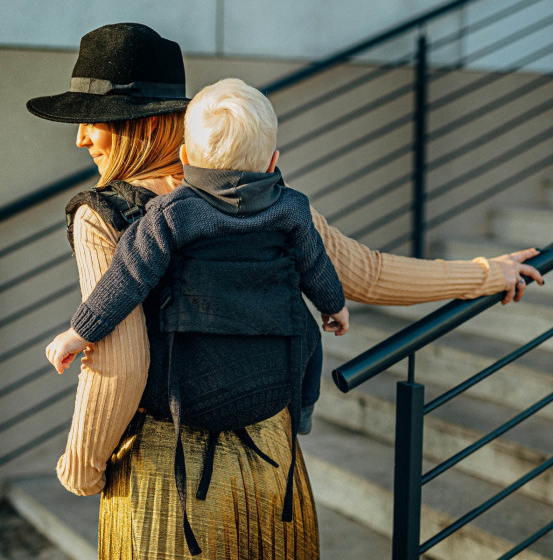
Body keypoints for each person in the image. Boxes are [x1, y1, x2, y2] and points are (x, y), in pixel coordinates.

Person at [27, 22, 543, 560]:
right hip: (273, 460)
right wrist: (487, 273)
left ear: (144, 126)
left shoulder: (103, 215)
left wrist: (83, 467)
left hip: (170, 477)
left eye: (94, 120)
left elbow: (123, 363)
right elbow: (364, 272)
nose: (81, 137)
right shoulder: (263, 195)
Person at [46, 77, 349, 436]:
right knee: (307, 331)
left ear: (185, 156)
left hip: (185, 394)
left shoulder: (170, 213)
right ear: (272, 163)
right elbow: (315, 264)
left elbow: (127, 276)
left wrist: (80, 331)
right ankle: (303, 410)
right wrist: (335, 305)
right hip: (273, 389)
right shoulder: (292, 208)